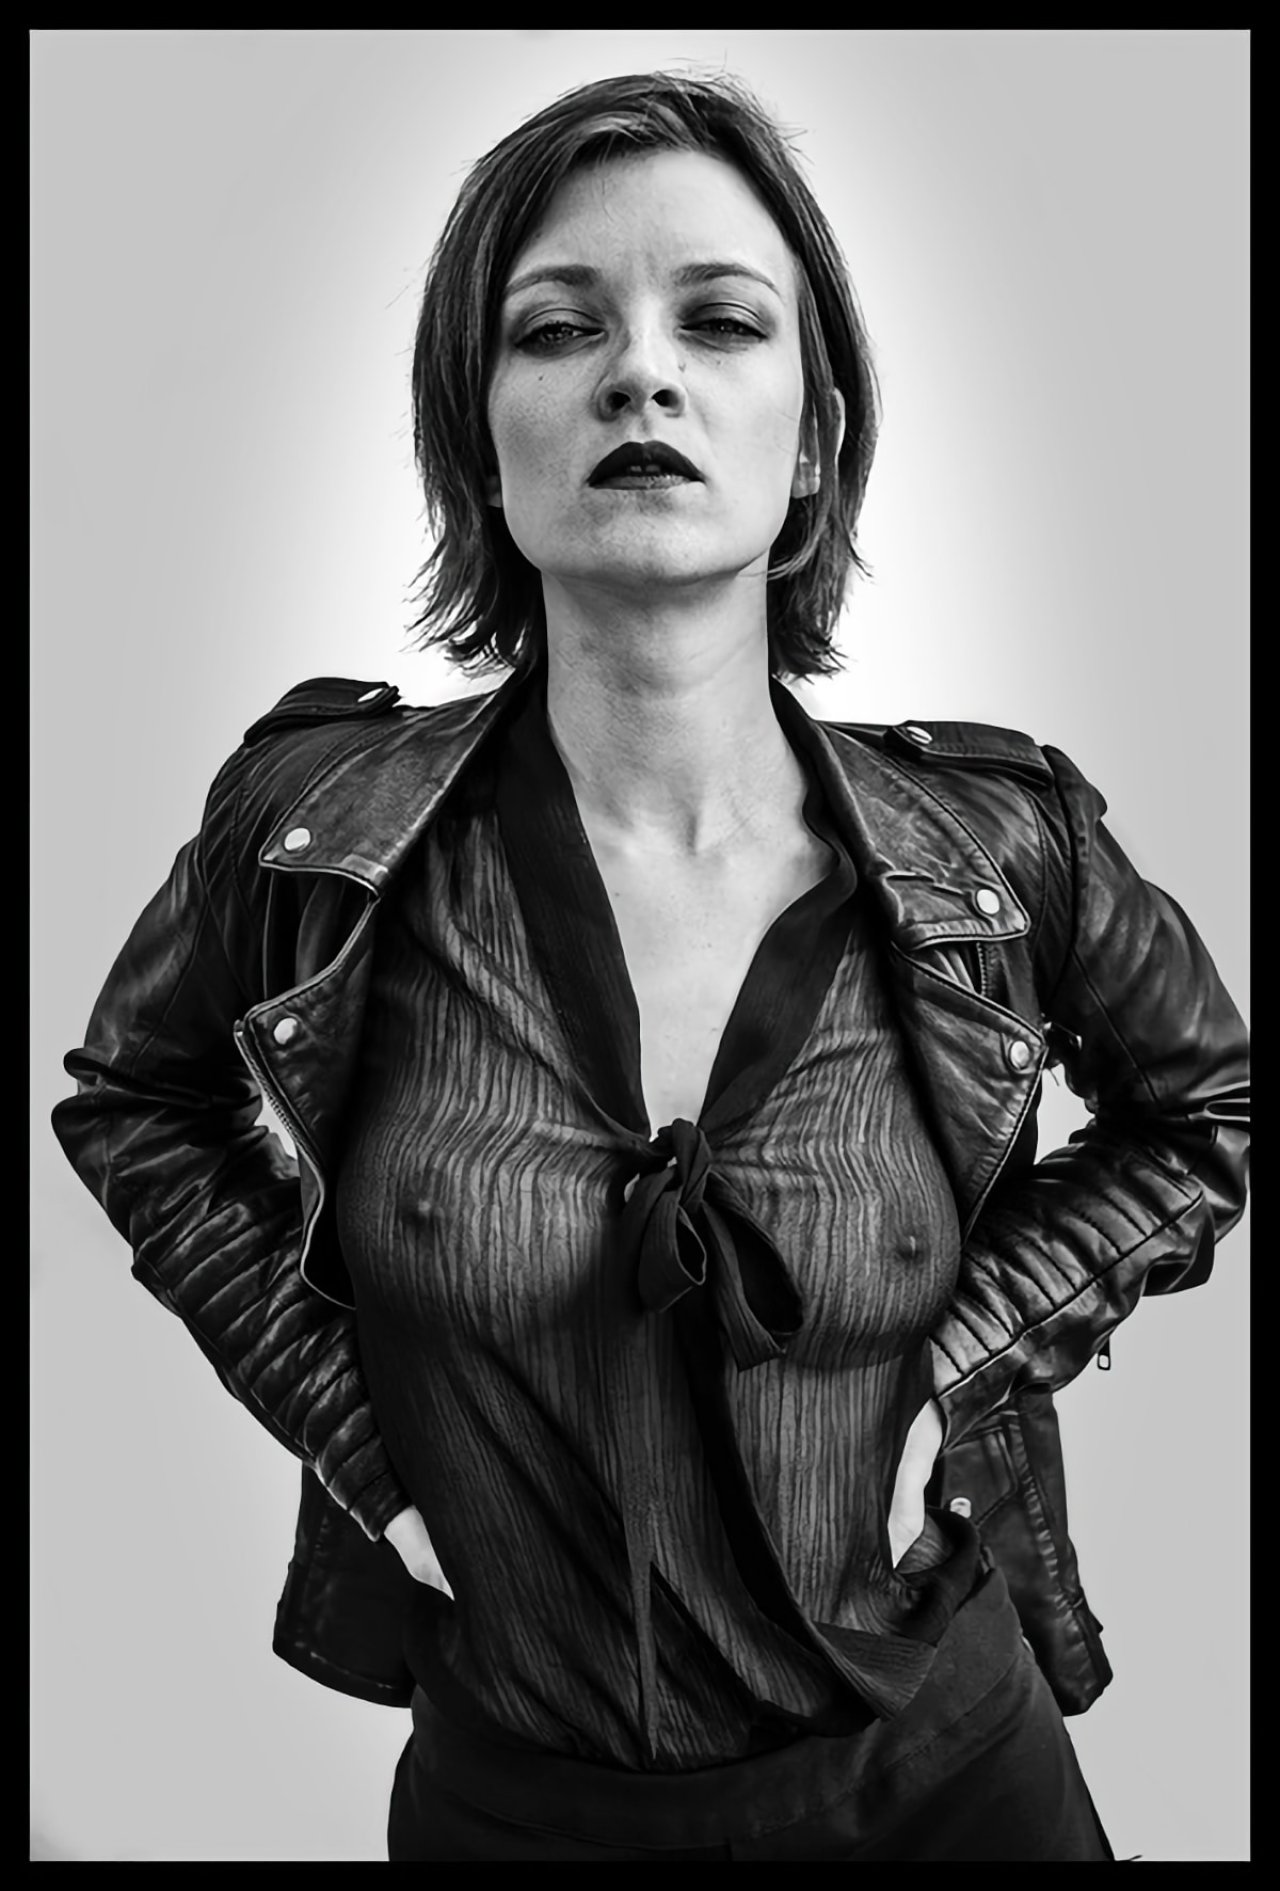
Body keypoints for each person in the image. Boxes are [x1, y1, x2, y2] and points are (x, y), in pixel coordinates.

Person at [51, 70, 1249, 1862]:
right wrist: (355, 1438)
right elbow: (132, 1104)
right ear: (481, 441)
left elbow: (1210, 1105)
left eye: (720, 321)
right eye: (560, 328)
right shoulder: (314, 835)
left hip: (951, 1781)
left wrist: (972, 1353)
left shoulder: (1002, 848)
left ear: (812, 439)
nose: (641, 375)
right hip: (514, 1807)